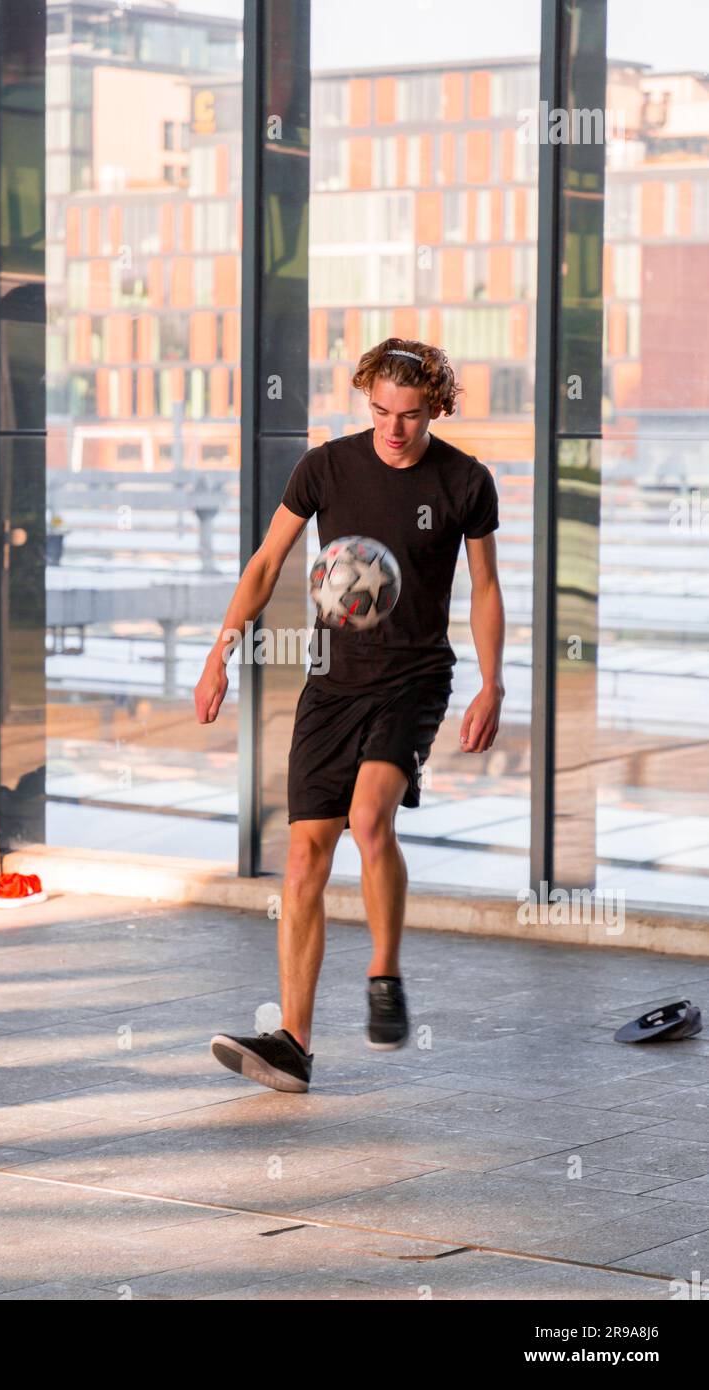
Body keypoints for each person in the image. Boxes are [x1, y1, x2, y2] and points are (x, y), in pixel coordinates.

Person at [194, 337, 505, 1093]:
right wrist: (220, 651)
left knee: (369, 821)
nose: (393, 430)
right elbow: (267, 562)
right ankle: (294, 1042)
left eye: (409, 415)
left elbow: (487, 587)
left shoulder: (466, 481)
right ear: (366, 398)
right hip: (330, 684)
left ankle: (384, 976)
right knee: (302, 856)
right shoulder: (325, 469)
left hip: (414, 680)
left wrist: (493, 683)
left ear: (436, 407)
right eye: (380, 412)